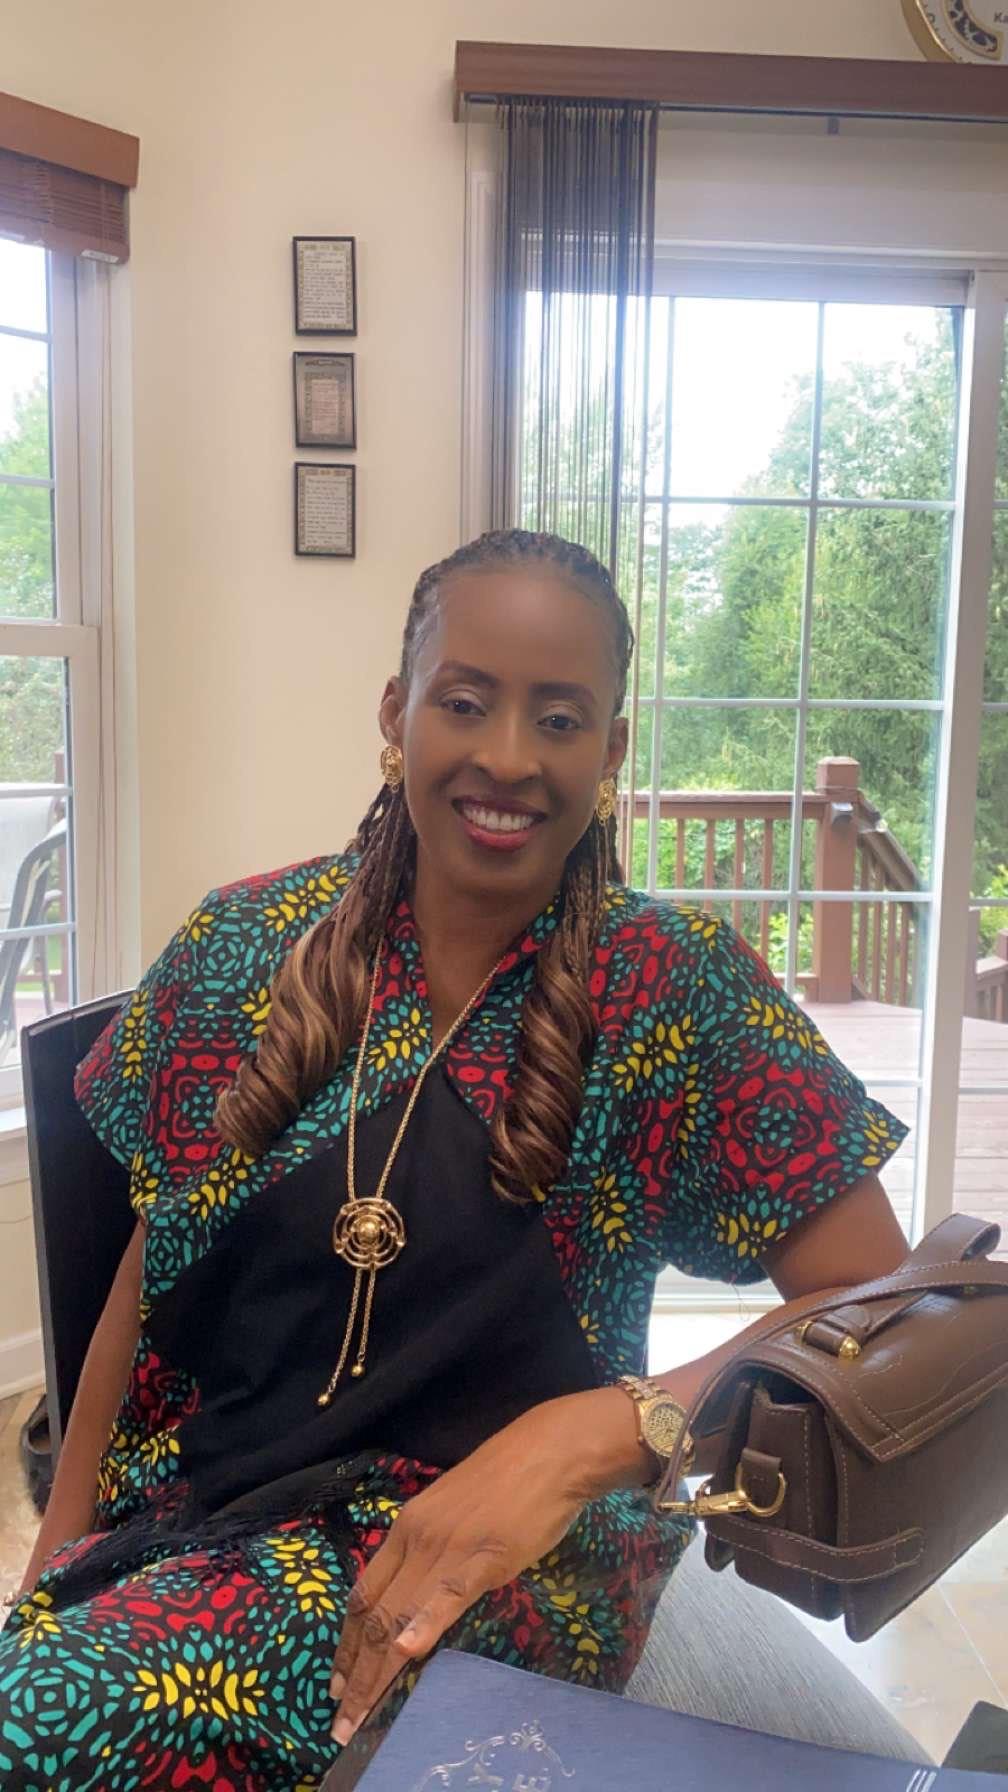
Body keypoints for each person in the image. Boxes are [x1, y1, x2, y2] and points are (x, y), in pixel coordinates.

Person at [0, 530, 909, 1791]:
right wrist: (53, 1551)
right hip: (203, 1512)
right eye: (467, 702)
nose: (509, 758)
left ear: (612, 752)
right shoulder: (239, 944)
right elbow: (152, 1261)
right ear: (398, 712)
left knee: (36, 1734)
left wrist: (592, 1436)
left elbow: (880, 1305)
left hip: (508, 1564)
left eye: (560, 718)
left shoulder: (672, 990)